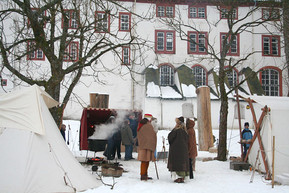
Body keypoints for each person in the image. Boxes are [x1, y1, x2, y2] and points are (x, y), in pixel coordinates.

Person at [167, 116, 190, 183]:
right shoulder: (185, 131)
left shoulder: (176, 131)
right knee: (182, 164)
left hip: (176, 151)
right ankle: (182, 177)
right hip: (183, 151)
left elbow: (170, 138)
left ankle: (178, 178)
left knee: (177, 165)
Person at [137, 114, 157, 181]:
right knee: (145, 161)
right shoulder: (148, 125)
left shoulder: (141, 124)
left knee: (145, 161)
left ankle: (144, 174)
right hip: (147, 146)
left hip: (143, 145)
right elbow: (152, 135)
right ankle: (143, 175)